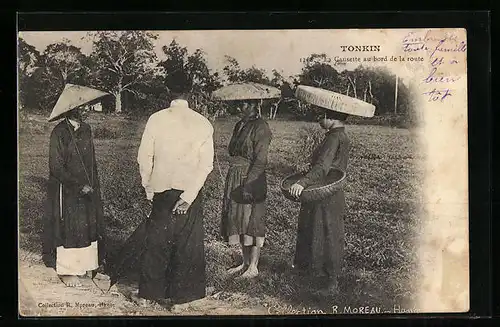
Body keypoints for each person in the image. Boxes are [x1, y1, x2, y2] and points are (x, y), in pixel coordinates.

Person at [135, 93, 214, 307]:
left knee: (156, 242)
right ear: (189, 94)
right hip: (189, 191)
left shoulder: (156, 118)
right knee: (187, 244)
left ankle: (147, 296)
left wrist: (149, 189)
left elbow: (144, 157)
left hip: (162, 190)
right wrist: (188, 197)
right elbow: (206, 165)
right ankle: (182, 300)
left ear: (168, 91)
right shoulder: (202, 123)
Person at [43, 86, 108, 288]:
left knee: (89, 225)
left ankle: (89, 266)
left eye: (88, 105)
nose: (87, 109)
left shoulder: (86, 129)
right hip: (67, 188)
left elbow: (92, 163)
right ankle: (68, 271)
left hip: (88, 188)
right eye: (82, 106)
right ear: (71, 109)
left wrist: (93, 186)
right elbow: (56, 166)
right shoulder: (60, 132)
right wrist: (79, 186)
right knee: (70, 227)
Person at [288, 109, 350, 296]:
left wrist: (302, 182)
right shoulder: (340, 135)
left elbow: (322, 167)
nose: (319, 119)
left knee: (326, 234)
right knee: (322, 232)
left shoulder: (333, 138)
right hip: (330, 190)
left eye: (321, 115)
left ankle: (330, 283)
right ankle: (316, 276)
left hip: (325, 193)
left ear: (332, 117)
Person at [221, 99, 272, 279]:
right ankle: (244, 261)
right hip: (235, 176)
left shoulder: (261, 127)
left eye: (242, 104)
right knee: (238, 218)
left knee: (252, 220)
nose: (238, 107)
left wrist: (249, 183)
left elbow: (260, 160)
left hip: (251, 177)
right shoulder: (239, 125)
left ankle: (253, 266)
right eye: (237, 104)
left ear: (253, 105)